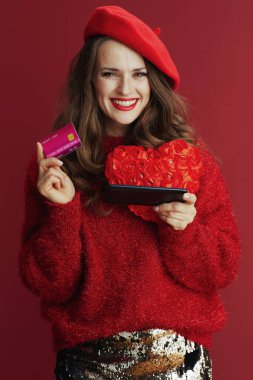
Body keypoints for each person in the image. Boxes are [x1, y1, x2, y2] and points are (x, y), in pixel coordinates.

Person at [18, 5, 241, 380]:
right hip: (85, 360)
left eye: (138, 74)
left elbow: (221, 269)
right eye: (110, 74)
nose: (126, 89)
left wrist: (183, 231)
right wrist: (61, 210)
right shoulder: (57, 156)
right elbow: (48, 284)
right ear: (89, 79)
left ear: (152, 80)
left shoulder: (186, 155)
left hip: (176, 357)